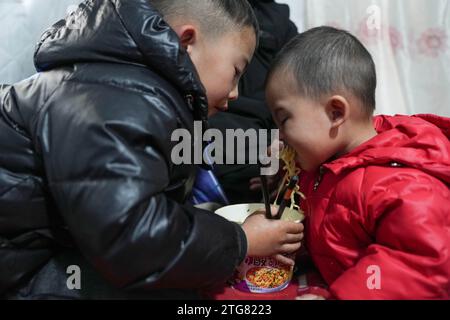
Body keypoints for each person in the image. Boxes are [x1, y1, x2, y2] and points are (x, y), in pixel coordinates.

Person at [0, 0, 303, 299]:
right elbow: (130, 237)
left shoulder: (130, 84)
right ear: (187, 42)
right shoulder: (114, 100)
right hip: (20, 268)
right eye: (236, 71)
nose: (235, 93)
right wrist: (242, 241)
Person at [265, 26, 450, 299]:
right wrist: (280, 179)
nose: (279, 135)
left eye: (284, 120)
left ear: (336, 112)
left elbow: (419, 263)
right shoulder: (327, 161)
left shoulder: (404, 183)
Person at [208, 0, 298, 204]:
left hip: (265, 140)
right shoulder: (200, 11)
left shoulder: (280, 24)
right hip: (203, 131)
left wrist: (286, 144)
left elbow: (302, 93)